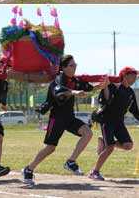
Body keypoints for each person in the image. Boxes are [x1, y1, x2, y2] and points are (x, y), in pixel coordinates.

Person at [22, 55, 107, 187]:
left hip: (69, 117)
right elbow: (59, 91)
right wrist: (74, 92)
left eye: (75, 65)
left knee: (88, 133)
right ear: (63, 68)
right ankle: (29, 169)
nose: (74, 68)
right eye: (71, 65)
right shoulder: (58, 80)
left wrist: (101, 86)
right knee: (51, 147)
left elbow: (89, 88)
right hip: (57, 118)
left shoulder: (75, 80)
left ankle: (71, 162)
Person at [88, 67, 139, 180]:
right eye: (133, 76)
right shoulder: (113, 86)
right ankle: (94, 172)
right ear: (125, 76)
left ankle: (103, 140)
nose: (135, 78)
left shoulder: (130, 92)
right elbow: (105, 100)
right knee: (109, 148)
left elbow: (135, 110)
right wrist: (105, 86)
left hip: (119, 122)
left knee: (128, 145)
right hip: (107, 120)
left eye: (136, 76)